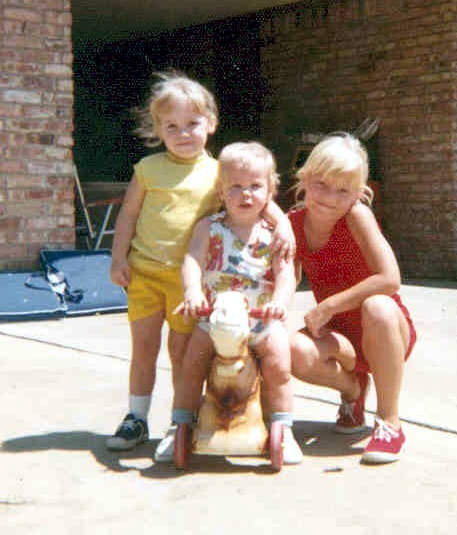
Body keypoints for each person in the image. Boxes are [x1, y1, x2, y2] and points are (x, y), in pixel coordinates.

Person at [105, 72, 293, 460]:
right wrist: (118, 257)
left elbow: (259, 195)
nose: (183, 133)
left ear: (210, 123)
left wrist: (284, 224)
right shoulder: (148, 168)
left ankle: (181, 423)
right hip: (145, 273)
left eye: (192, 123)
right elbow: (128, 215)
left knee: (182, 354)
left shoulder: (219, 172)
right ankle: (136, 417)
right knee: (143, 349)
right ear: (158, 129)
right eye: (171, 126)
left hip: (189, 282)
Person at [288, 132, 416, 464]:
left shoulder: (357, 216)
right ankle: (352, 391)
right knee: (291, 349)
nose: (329, 198)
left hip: (384, 329)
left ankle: (389, 422)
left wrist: (329, 305)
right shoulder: (292, 224)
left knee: (378, 306)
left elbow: (390, 279)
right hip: (339, 335)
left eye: (343, 190)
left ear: (358, 193)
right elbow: (287, 278)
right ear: (304, 177)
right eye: (321, 184)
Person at [172, 141, 302, 464]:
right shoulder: (209, 227)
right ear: (221, 191)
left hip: (260, 318)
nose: (246, 195)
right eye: (235, 187)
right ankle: (180, 423)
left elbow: (286, 274)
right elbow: (192, 261)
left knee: (279, 363)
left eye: (255, 186)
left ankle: (283, 427)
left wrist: (279, 303)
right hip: (215, 318)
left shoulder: (275, 234)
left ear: (270, 190)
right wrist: (193, 291)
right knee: (192, 363)